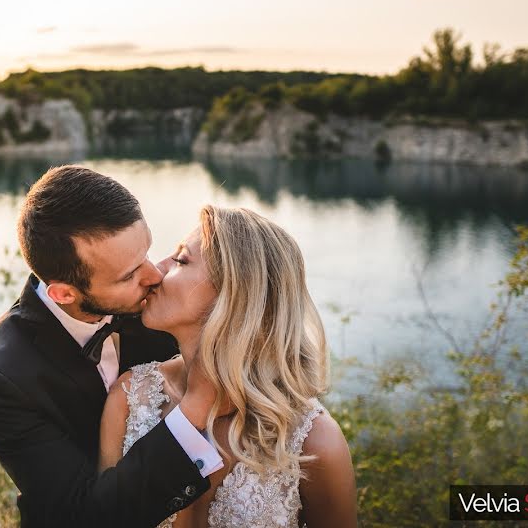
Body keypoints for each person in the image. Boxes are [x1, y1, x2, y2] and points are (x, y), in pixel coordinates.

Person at [0, 165, 225, 528]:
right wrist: (193, 407)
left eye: (146, 253)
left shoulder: (162, 307)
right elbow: (85, 515)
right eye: (129, 275)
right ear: (65, 293)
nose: (154, 276)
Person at [99, 205, 358, 527]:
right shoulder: (131, 397)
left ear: (235, 293)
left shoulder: (313, 441)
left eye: (180, 260)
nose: (155, 271)